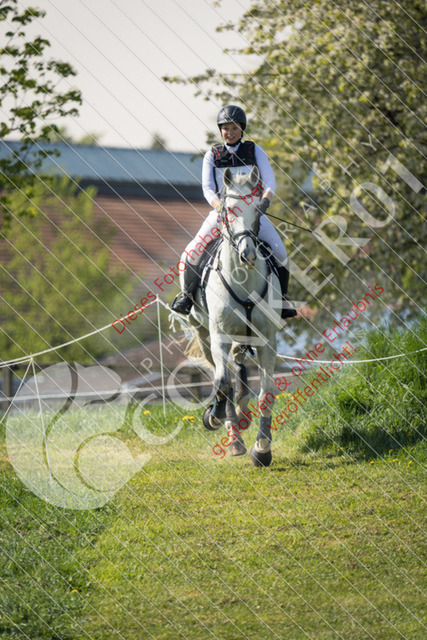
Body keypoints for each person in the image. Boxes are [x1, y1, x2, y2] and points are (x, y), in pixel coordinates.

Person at [171, 104, 297, 319]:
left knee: (281, 253)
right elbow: (207, 188)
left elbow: (269, 181)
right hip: (222, 213)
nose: (229, 132)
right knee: (191, 252)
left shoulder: (255, 151)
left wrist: (265, 202)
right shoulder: (212, 155)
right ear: (221, 131)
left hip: (253, 214)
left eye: (234, 128)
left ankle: (282, 299)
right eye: (225, 128)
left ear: (242, 129)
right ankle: (187, 296)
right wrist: (219, 207)